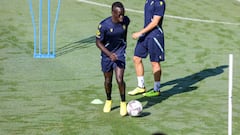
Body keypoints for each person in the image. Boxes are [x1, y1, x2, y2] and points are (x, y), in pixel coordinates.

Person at [96, 2, 130, 116]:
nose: (122, 17)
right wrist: (109, 54)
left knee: (119, 79)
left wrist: (123, 46)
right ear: (113, 13)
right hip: (107, 54)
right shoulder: (104, 26)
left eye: (123, 14)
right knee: (108, 80)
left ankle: (123, 102)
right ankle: (108, 100)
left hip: (119, 53)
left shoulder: (126, 21)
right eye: (119, 15)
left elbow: (124, 33)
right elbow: (98, 42)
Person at [128, 0, 166, 97]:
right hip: (146, 35)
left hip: (155, 36)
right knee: (136, 58)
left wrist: (140, 33)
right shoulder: (148, 1)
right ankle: (141, 87)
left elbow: (155, 22)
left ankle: (156, 89)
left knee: (154, 62)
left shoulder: (159, 3)